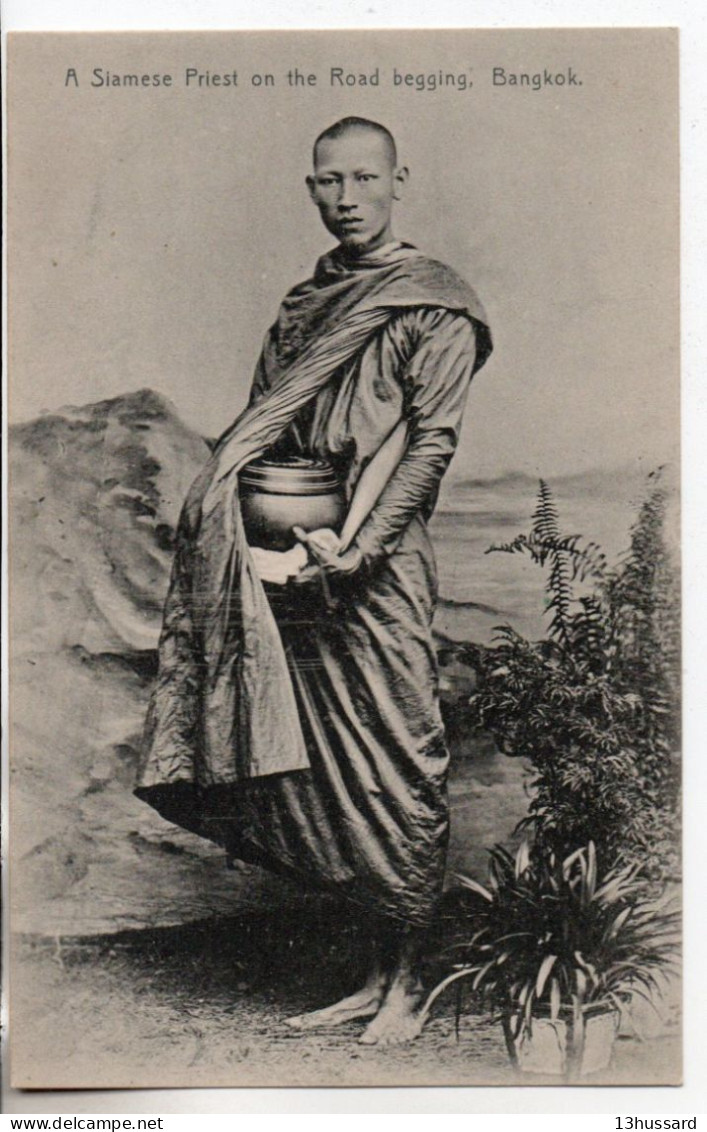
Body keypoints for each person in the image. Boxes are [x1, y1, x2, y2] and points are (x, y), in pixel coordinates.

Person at [135, 116, 492, 1046]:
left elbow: (429, 443)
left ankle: (409, 984)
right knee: (335, 776)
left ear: (397, 180)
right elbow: (272, 437)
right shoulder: (303, 305)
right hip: (299, 566)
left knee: (398, 765)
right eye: (328, 182)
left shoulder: (432, 303)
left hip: (373, 570)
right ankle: (370, 976)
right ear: (311, 189)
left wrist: (360, 548)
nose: (346, 198)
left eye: (363, 179)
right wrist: (254, 537)